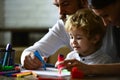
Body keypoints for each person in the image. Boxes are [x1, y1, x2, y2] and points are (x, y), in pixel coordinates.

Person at [21, 0, 88, 70]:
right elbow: (31, 51)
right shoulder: (63, 25)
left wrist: (90, 69)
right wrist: (28, 59)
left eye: (65, 4)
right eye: (57, 5)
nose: (60, 12)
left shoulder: (99, 19)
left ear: (83, 2)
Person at [60, 0, 120, 75]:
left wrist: (89, 69)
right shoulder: (71, 56)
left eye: (106, 15)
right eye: (71, 37)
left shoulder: (104, 60)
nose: (105, 23)